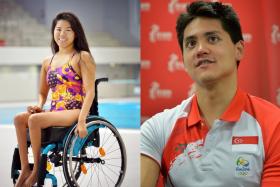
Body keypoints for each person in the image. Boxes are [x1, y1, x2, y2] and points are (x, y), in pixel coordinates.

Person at [141, 1, 280, 187]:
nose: (200, 50)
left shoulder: (274, 125)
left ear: (238, 49)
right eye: (191, 43)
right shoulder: (157, 129)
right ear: (183, 58)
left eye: (212, 38)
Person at [14, 12, 96, 187]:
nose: (62, 34)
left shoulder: (81, 57)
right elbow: (43, 92)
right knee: (19, 119)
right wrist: (38, 105)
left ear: (76, 33)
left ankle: (37, 170)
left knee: (35, 120)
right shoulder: (47, 61)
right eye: (58, 29)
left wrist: (82, 120)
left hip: (75, 109)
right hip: (55, 110)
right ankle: (25, 169)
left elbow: (90, 92)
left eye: (68, 30)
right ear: (53, 32)